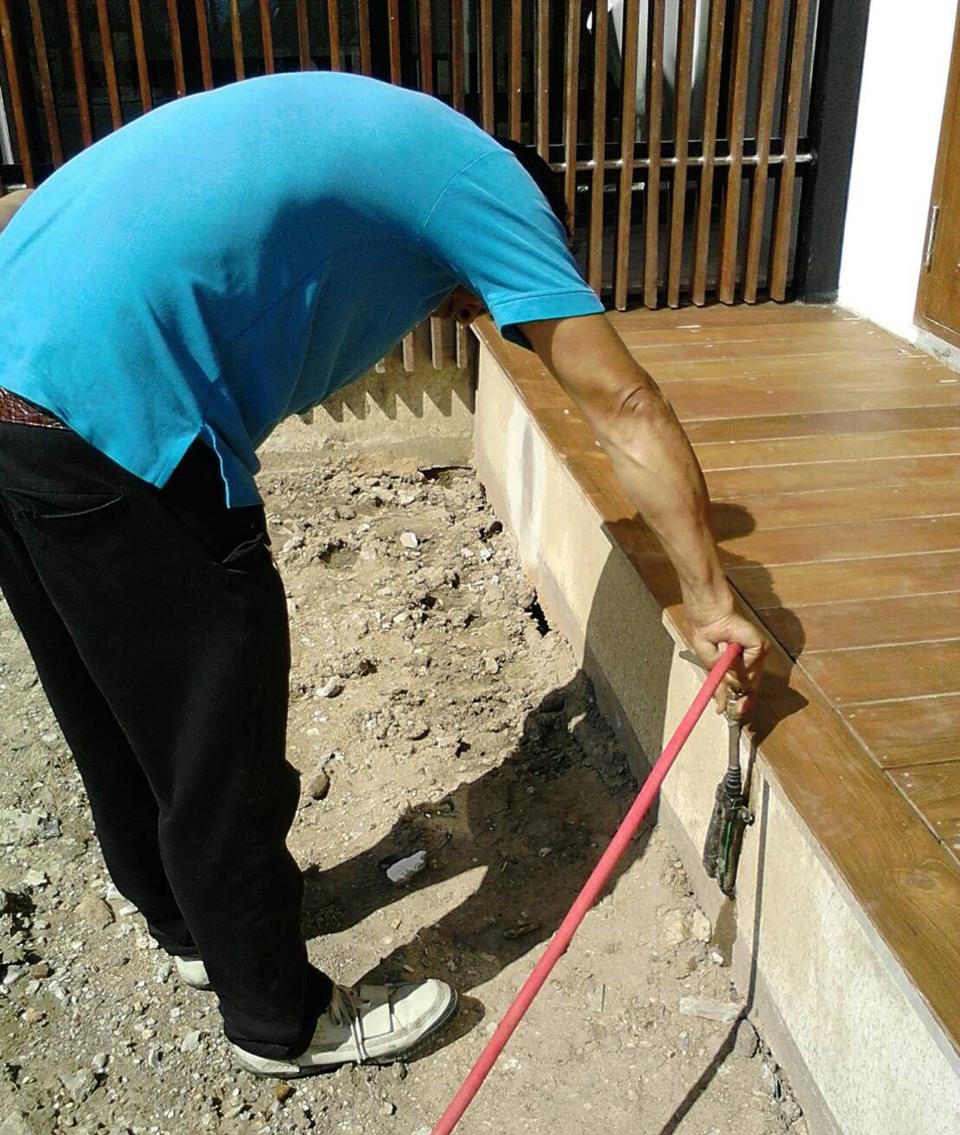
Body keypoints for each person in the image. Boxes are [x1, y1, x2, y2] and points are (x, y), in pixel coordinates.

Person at [0, 72, 766, 1079]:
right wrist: (708, 598)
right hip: (113, 398)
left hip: (17, 361)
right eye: (483, 295)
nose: (470, 311)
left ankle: (192, 928)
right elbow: (621, 403)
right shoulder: (485, 187)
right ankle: (279, 1021)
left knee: (110, 702)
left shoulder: (390, 138)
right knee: (215, 728)